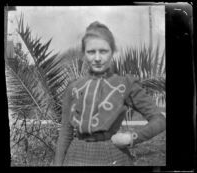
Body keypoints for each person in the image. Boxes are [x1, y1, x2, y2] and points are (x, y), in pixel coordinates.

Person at [54, 21, 166, 166]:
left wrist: (131, 138)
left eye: (103, 51)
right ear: (84, 54)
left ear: (112, 51)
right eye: (91, 52)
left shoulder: (125, 84)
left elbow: (159, 120)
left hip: (114, 156)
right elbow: (65, 133)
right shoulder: (73, 87)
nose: (98, 58)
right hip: (75, 157)